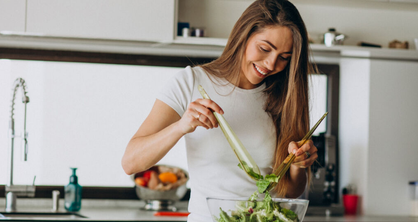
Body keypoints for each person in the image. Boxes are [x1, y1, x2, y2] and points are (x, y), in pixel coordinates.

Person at [122, 0, 318, 221]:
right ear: (243, 36)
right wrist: (181, 126)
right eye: (264, 49)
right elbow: (131, 162)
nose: (272, 64)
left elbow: (290, 191)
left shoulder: (286, 97)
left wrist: (298, 165)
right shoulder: (191, 82)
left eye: (284, 57)